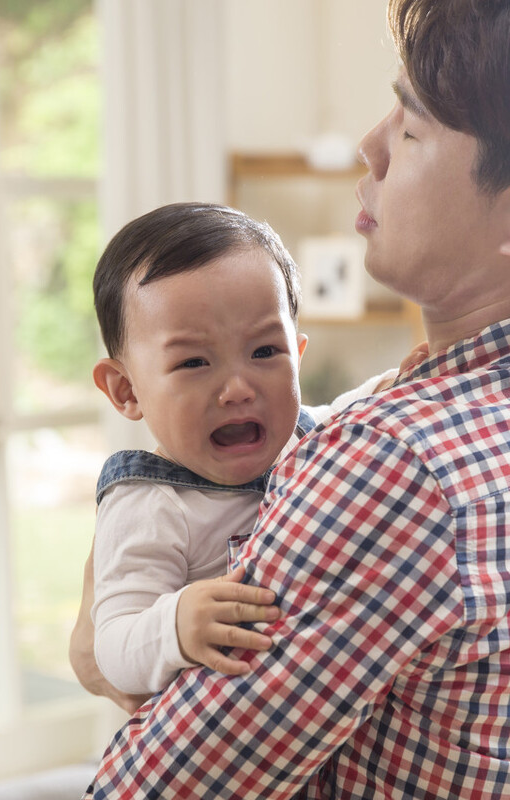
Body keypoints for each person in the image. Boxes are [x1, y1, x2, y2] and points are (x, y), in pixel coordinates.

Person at [76, 0, 510, 797]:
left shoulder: (398, 463)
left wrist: (97, 640)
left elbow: (150, 788)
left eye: (413, 127)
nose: (370, 144)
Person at [80, 202, 401, 712]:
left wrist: (395, 386)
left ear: (297, 355)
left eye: (265, 352)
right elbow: (110, 649)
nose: (236, 388)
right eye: (193, 361)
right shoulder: (150, 506)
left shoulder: (307, 437)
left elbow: (346, 412)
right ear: (126, 390)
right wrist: (176, 624)